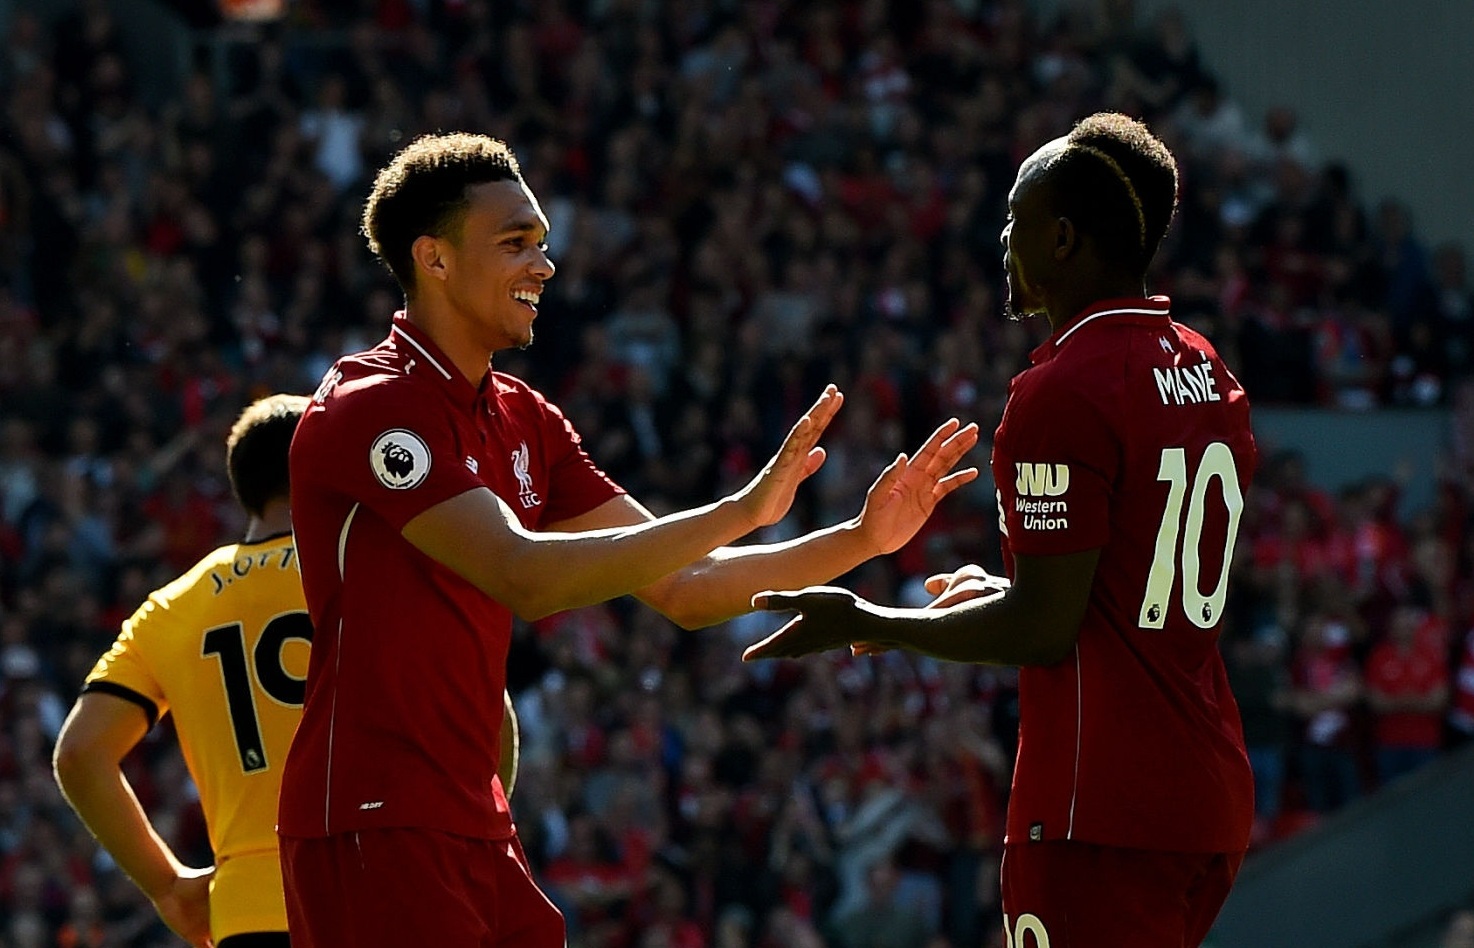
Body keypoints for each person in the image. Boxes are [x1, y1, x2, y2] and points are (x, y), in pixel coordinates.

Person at [278, 131, 978, 948]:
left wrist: (862, 537)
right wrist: (743, 507)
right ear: (433, 258)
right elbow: (523, 575)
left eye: (542, 242)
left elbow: (687, 588)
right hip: (374, 817)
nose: (544, 265)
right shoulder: (371, 405)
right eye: (515, 243)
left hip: (471, 819)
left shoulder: (526, 419)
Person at [745, 112, 1258, 948]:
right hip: (1204, 793)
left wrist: (875, 621)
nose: (1003, 238)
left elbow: (1042, 629)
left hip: (1099, 811)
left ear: (1062, 237)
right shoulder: (1206, 366)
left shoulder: (1063, 393)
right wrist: (1012, 590)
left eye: (1017, 218)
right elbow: (1129, 581)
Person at [53, 395, 308, 948]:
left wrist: (166, 886)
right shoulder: (375, 571)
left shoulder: (173, 606)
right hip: (381, 893)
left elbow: (79, 754)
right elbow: (487, 710)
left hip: (248, 914)